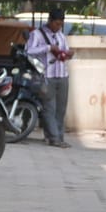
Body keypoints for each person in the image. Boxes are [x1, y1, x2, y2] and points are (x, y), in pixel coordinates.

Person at [25, 11, 74, 147]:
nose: (58, 27)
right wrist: (48, 48)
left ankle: (57, 136)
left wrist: (69, 53)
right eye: (57, 24)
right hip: (47, 76)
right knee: (49, 108)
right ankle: (54, 138)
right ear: (50, 20)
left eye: (61, 24)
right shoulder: (37, 34)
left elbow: (65, 51)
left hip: (62, 75)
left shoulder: (61, 36)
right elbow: (29, 50)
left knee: (61, 109)